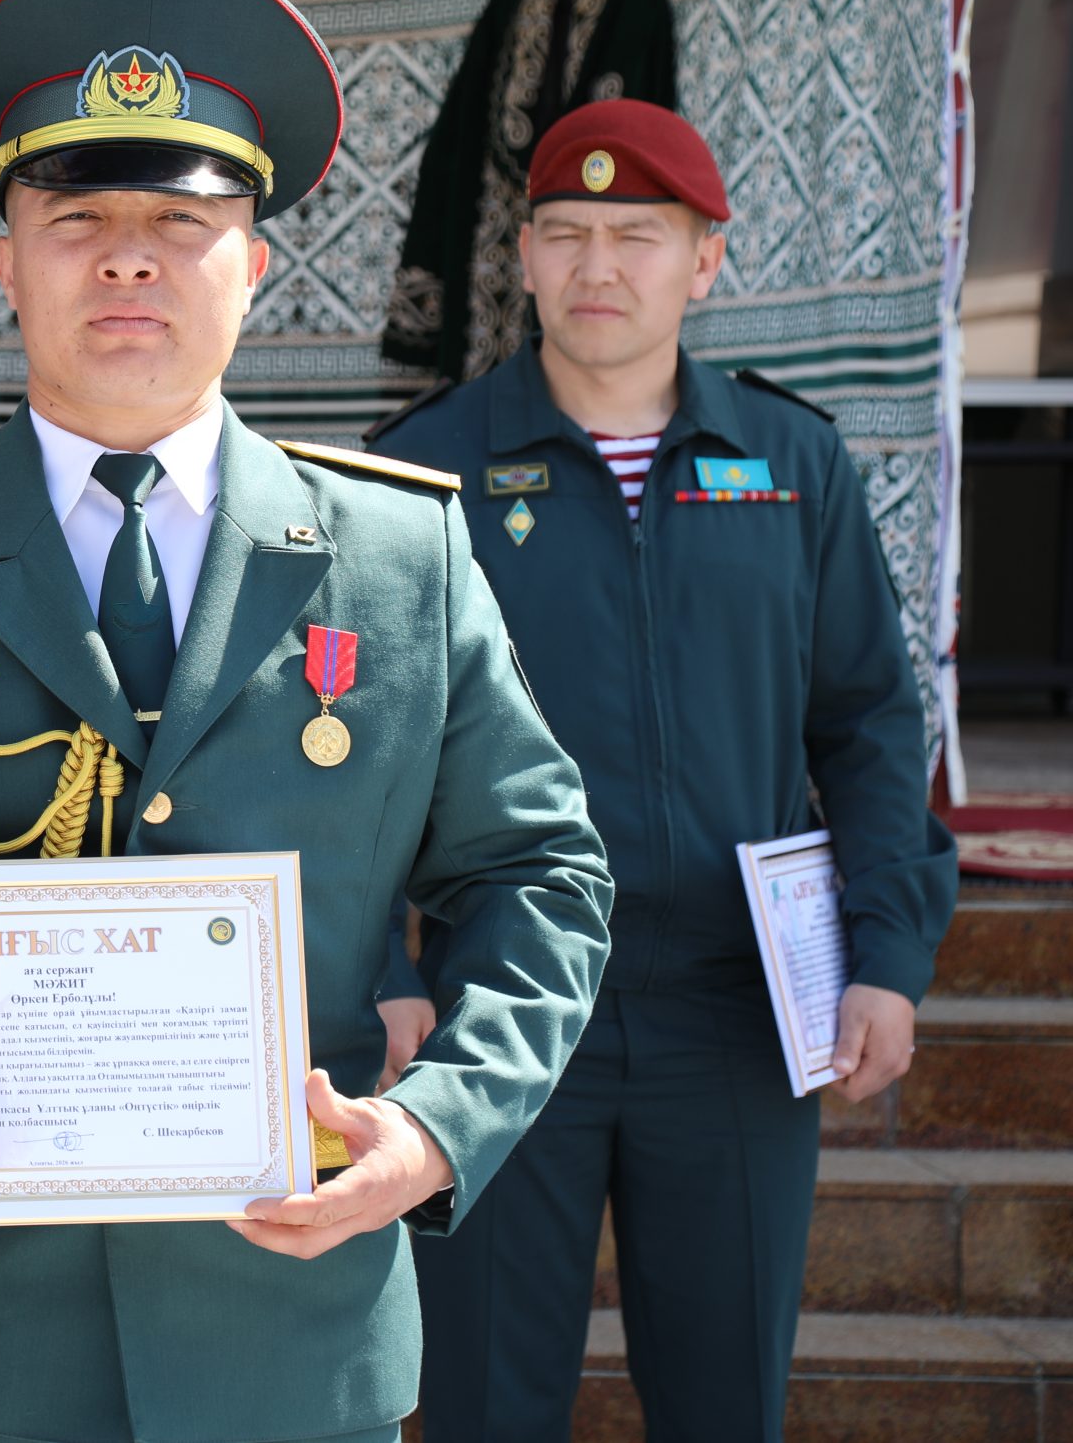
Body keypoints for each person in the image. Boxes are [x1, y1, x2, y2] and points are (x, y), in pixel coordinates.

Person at [0, 0, 614, 1443]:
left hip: (285, 1337)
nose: (128, 259)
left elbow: (540, 871)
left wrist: (434, 1126)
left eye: (182, 221)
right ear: (5, 262)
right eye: (76, 218)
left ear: (253, 265)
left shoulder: (397, 555)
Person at [369, 98, 959, 1442]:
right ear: (523, 256)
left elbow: (868, 722)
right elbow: (357, 751)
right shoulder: (423, 472)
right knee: (482, 1403)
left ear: (704, 261)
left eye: (637, 235)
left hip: (738, 1013)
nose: (599, 267)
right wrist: (382, 978)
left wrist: (887, 952)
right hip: (500, 1009)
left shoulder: (791, 462)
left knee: (722, 1401)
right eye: (566, 233)